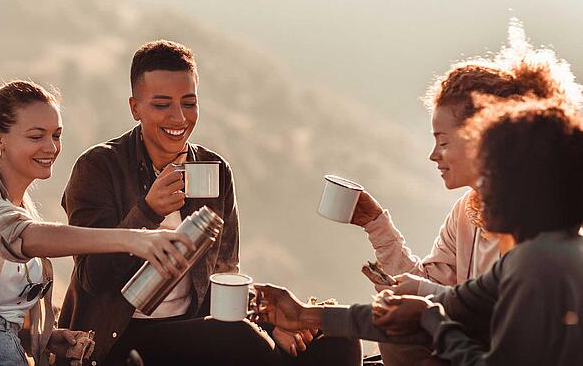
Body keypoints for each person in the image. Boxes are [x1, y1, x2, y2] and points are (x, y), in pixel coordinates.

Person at [57, 41, 361, 366]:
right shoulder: (100, 167)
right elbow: (93, 277)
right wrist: (147, 211)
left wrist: (270, 321)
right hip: (118, 338)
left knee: (334, 338)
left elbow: (225, 271)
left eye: (189, 103)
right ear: (135, 108)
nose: (179, 117)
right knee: (237, 339)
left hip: (192, 329)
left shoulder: (213, 171)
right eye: (162, 105)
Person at [0, 80, 194, 366]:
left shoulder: (23, 208)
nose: (51, 148)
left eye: (56, 135)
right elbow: (20, 237)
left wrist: (48, 339)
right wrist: (132, 239)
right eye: (36, 136)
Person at [255, 97, 583, 365]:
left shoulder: (542, 265)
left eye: (490, 174)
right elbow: (437, 306)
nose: (480, 189)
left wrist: (432, 320)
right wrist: (304, 315)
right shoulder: (531, 255)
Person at [349, 27, 582, 364]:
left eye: (443, 142)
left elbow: (489, 316)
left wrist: (424, 304)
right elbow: (431, 285)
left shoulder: (534, 228)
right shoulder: (465, 211)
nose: (434, 155)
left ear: (482, 140)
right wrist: (375, 224)